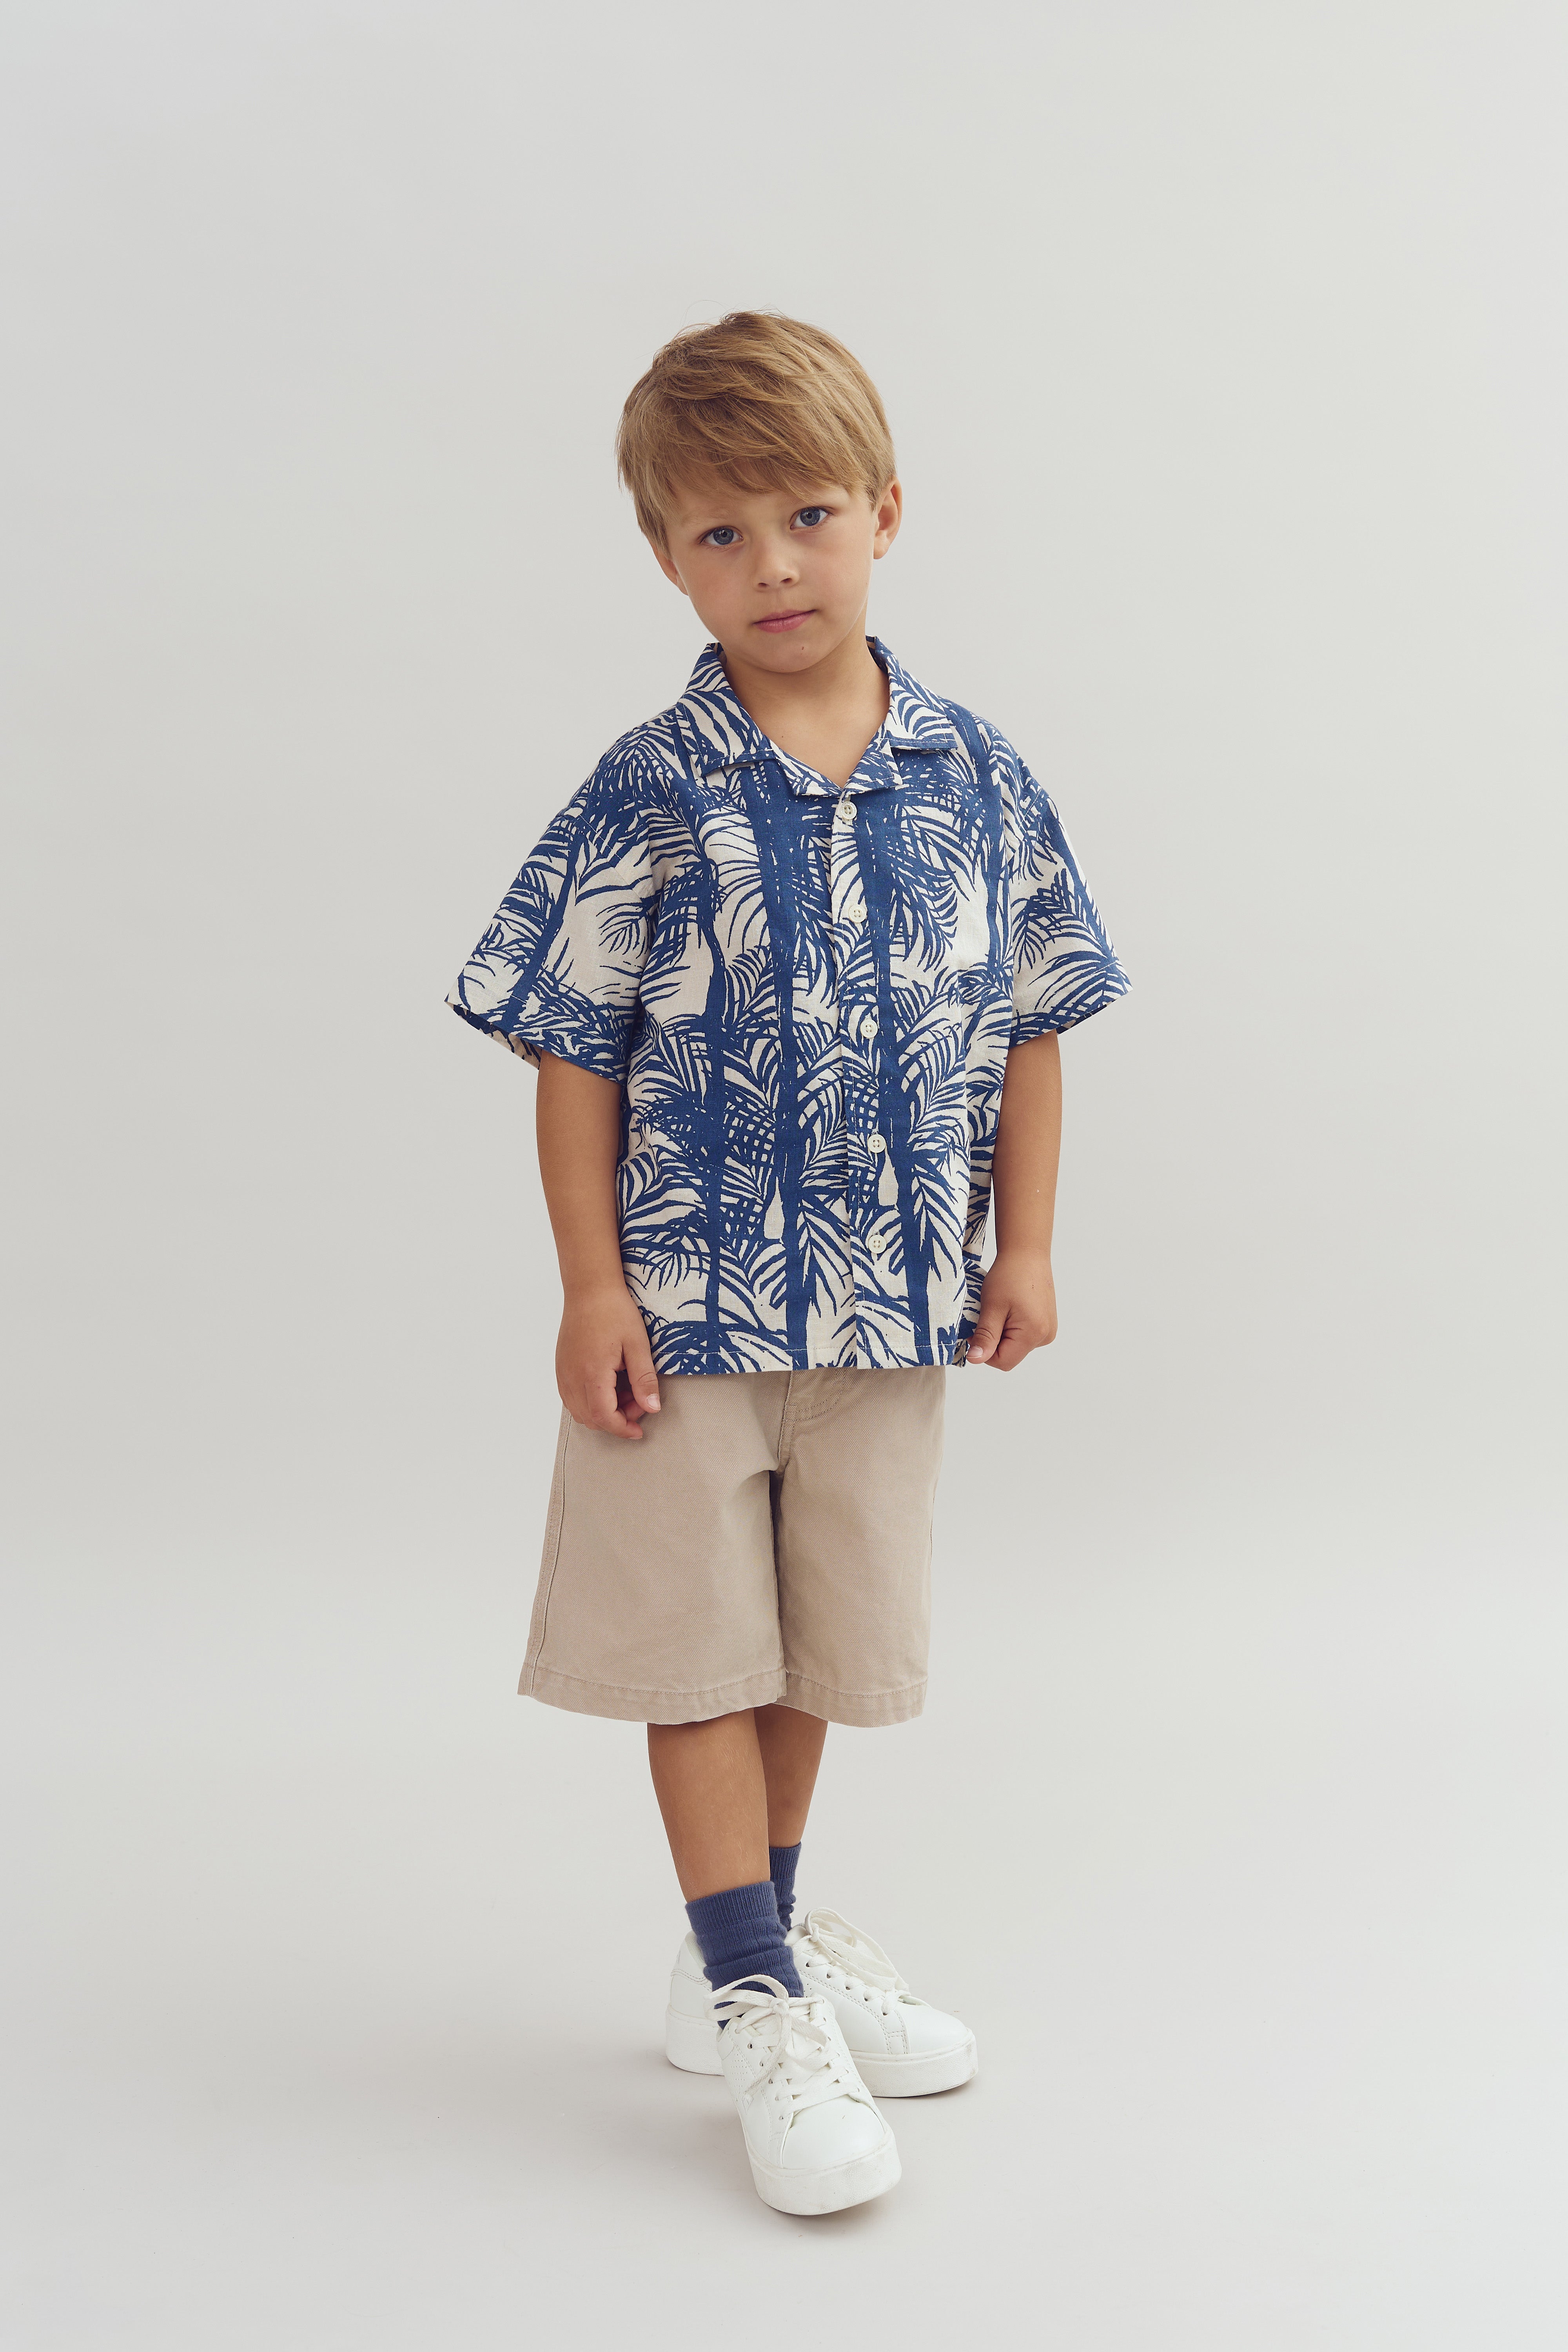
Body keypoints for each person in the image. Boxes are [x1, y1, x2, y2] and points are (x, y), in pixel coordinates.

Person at [448, 312, 1127, 2216]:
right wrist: (590, 1287)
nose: (771, 568)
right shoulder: (648, 784)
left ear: (887, 515)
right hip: (687, 1312)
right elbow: (572, 1043)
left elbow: (1031, 1022)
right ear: (667, 557)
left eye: (806, 518)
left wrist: (1031, 1240)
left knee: (817, 1638)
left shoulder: (975, 776)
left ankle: (750, 1936)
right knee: (696, 1647)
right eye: (718, 536)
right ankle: (757, 1992)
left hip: (895, 1303)